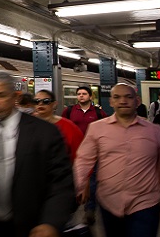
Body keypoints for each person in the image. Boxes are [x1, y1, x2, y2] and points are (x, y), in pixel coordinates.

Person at [0, 72, 75, 237]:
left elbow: (61, 182)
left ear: (15, 97)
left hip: (29, 228)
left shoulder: (44, 132)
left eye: (0, 95)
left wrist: (50, 223)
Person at [74, 83, 160, 237]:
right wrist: (80, 184)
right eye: (117, 97)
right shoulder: (97, 129)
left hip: (145, 204)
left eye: (128, 97)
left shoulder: (155, 132)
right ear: (111, 102)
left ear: (137, 101)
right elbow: (84, 159)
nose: (123, 101)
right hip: (109, 203)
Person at [60, 85, 106, 223]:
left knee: (92, 181)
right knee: (72, 179)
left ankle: (89, 209)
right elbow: (63, 127)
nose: (81, 96)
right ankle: (70, 206)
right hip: (74, 150)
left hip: (93, 152)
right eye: (79, 93)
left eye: (84, 93)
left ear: (90, 96)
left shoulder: (98, 112)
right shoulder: (69, 111)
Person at [32, 90, 83, 163]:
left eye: (46, 101)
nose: (40, 104)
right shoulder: (27, 125)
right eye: (36, 101)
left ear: (54, 104)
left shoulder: (69, 127)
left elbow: (79, 155)